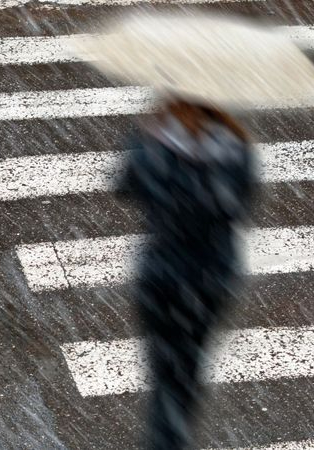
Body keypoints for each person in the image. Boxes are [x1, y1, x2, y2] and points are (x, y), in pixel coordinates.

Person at [117, 98, 256, 450]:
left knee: (167, 376)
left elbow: (124, 186)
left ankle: (167, 438)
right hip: (210, 280)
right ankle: (172, 434)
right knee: (186, 371)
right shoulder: (235, 147)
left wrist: (148, 137)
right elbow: (241, 204)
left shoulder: (155, 144)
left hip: (162, 276)